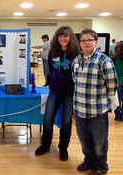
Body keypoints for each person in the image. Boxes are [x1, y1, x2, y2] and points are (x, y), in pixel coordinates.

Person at [72, 28, 118, 175]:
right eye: (83, 40)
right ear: (80, 43)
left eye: (89, 40)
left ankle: (101, 166)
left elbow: (112, 85)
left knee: (99, 141)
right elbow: (75, 80)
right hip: (79, 109)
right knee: (84, 140)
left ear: (96, 42)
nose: (86, 43)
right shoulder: (76, 60)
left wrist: (102, 100)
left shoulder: (104, 61)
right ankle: (89, 160)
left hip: (97, 110)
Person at [35, 26, 80, 161]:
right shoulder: (52, 52)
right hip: (54, 90)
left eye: (65, 36)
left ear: (70, 37)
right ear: (57, 38)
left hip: (69, 92)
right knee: (47, 119)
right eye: (60, 36)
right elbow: (50, 68)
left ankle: (63, 148)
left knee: (66, 122)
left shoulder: (76, 54)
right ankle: (45, 145)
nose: (63, 38)